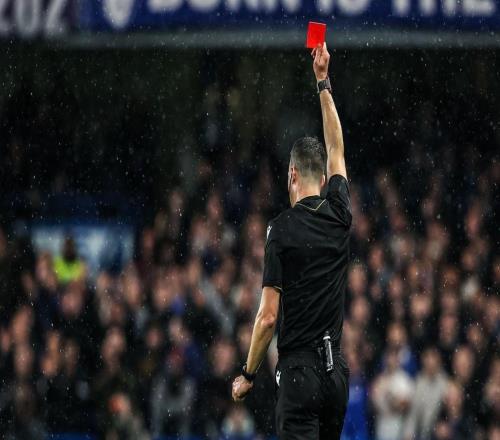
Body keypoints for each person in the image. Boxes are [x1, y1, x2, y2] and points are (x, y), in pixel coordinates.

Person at [232, 42, 351, 440]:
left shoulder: (280, 229)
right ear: (325, 178)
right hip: (336, 376)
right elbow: (335, 146)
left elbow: (267, 317)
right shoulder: (340, 212)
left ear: (293, 174)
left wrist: (248, 373)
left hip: (300, 374)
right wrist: (323, 82)